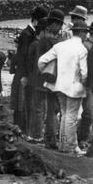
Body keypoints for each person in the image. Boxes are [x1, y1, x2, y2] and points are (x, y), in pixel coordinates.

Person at [38, 20, 89, 155]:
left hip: (59, 86)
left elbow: (42, 61)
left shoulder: (60, 46)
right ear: (83, 33)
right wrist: (86, 85)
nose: (86, 36)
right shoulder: (82, 49)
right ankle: (68, 146)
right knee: (71, 116)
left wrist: (50, 75)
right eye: (86, 33)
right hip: (75, 87)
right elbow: (84, 73)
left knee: (65, 115)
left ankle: (63, 144)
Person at [28, 9, 64, 143]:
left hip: (41, 78)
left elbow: (38, 61)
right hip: (51, 79)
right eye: (59, 25)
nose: (60, 28)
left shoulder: (43, 40)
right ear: (54, 24)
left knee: (39, 108)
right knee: (49, 109)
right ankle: (45, 135)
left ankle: (37, 135)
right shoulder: (54, 41)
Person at [11, 6, 48, 128]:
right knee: (21, 103)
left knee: (24, 102)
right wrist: (25, 75)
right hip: (23, 72)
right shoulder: (27, 34)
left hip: (24, 71)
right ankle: (21, 128)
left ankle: (22, 128)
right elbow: (24, 57)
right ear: (36, 21)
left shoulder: (28, 33)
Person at [77, 20, 93, 147]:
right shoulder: (87, 46)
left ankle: (88, 138)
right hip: (88, 84)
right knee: (89, 113)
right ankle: (82, 139)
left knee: (92, 112)